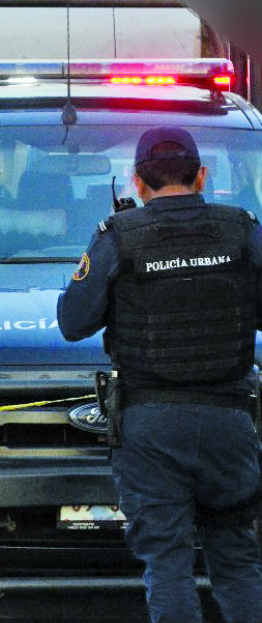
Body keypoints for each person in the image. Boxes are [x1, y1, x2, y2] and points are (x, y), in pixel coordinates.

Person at [58, 126, 262, 622]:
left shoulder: (117, 236)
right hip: (231, 420)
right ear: (203, 175)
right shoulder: (242, 229)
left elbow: (73, 322)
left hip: (150, 425)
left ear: (137, 181)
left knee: (167, 563)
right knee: (237, 558)